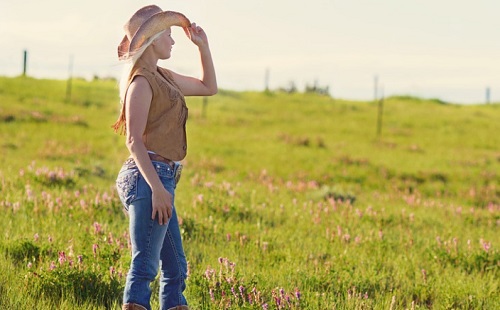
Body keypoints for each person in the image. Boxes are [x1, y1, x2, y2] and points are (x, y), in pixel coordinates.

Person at [112, 4, 217, 310]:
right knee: (145, 265)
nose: (173, 41)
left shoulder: (163, 76)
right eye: (169, 35)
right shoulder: (141, 82)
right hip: (149, 178)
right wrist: (158, 188)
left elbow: (208, 87)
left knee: (175, 268)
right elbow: (134, 140)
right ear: (154, 39)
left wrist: (203, 47)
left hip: (162, 177)